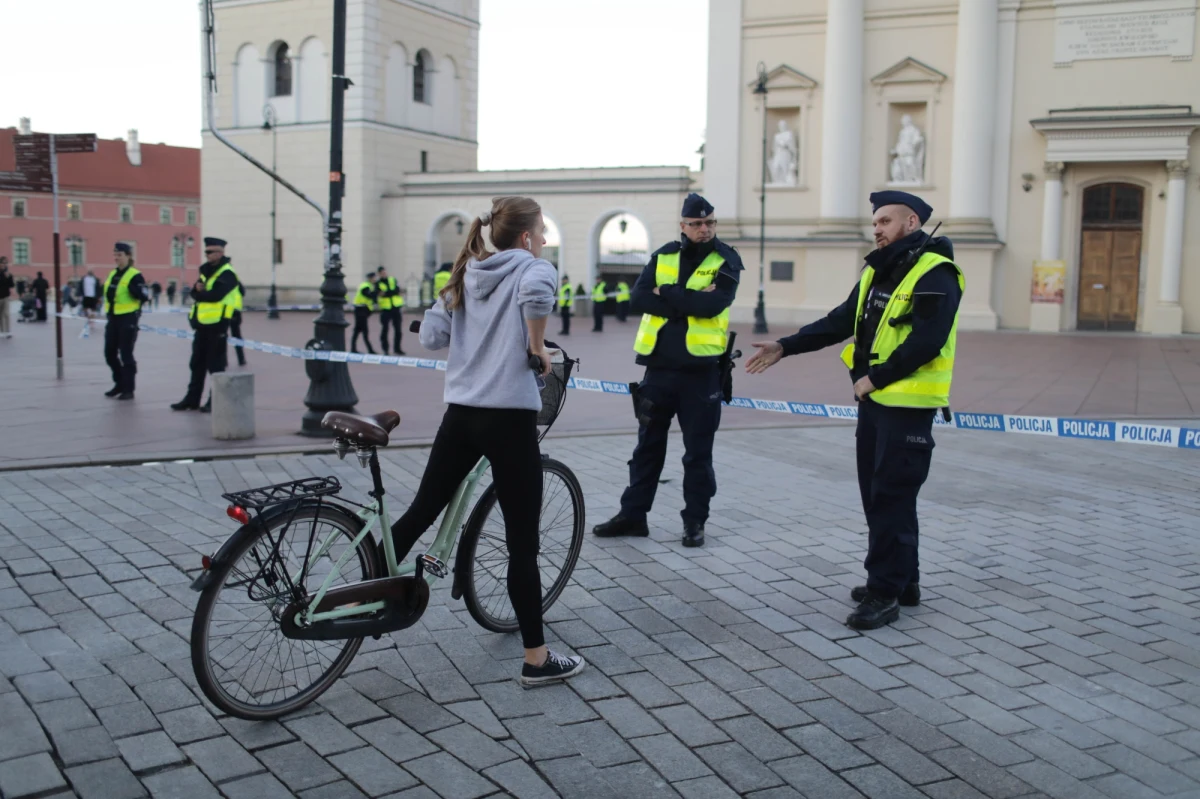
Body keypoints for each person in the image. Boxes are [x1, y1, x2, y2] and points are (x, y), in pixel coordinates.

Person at [746, 191, 963, 631]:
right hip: (877, 406)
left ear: (912, 222)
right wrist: (785, 346)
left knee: (891, 498)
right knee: (880, 496)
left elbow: (927, 340)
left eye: (885, 221)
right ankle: (904, 581)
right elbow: (841, 319)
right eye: (875, 223)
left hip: (905, 406)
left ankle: (884, 594)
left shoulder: (936, 272)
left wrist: (874, 379)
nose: (877, 229)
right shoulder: (879, 270)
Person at [399, 195, 584, 685]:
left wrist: (462, 323)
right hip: (508, 421)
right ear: (525, 237)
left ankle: (361, 585)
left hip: (460, 415)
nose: (543, 241)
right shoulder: (530, 268)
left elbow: (431, 339)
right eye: (541, 232)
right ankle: (536, 659)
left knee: (421, 511)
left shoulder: (465, 274)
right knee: (523, 544)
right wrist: (537, 346)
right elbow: (540, 294)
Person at [593, 193, 742, 548]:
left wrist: (669, 293)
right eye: (696, 224)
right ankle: (633, 516)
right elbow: (639, 298)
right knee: (647, 448)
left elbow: (714, 305)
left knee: (697, 454)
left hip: (701, 372)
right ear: (683, 226)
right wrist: (687, 301)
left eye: (709, 223)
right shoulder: (663, 255)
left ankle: (695, 523)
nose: (704, 229)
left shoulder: (728, 259)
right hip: (657, 370)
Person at [172, 237, 240, 412]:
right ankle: (191, 399)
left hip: (218, 325)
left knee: (216, 365)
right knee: (197, 363)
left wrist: (200, 293)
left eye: (211, 252)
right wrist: (197, 291)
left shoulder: (227, 273)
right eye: (206, 252)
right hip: (201, 325)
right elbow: (196, 293)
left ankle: (215, 400)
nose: (207, 255)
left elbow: (215, 295)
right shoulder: (206, 272)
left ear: (220, 252)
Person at [102, 243, 149, 400]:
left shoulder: (135, 275)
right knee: (109, 353)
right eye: (115, 255)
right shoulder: (113, 274)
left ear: (128, 256)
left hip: (128, 319)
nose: (116, 258)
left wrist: (135, 290)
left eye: (120, 255)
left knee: (126, 354)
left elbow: (144, 295)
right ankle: (119, 383)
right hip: (113, 318)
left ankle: (128, 389)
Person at [376, 266, 405, 355]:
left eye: (385, 272)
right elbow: (381, 294)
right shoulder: (378, 283)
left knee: (398, 330)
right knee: (385, 329)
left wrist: (388, 292)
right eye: (382, 273)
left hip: (396, 307)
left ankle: (397, 348)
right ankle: (385, 349)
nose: (384, 274)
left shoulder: (392, 280)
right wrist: (392, 292)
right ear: (379, 274)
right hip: (386, 309)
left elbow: (398, 290)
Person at [351, 271, 378, 354]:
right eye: (373, 278)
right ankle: (370, 350)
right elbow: (368, 295)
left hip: (362, 310)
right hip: (360, 310)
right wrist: (376, 293)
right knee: (364, 331)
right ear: (370, 278)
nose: (375, 279)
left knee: (358, 330)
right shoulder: (366, 286)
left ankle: (353, 348)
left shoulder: (369, 286)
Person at [0, 258, 13, 338]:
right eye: (3, 263)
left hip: (6, 296)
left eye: (6, 263)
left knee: (6, 314)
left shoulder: (8, 274)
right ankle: (1, 331)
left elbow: (11, 285)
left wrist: (9, 277)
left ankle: (8, 331)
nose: (5, 265)